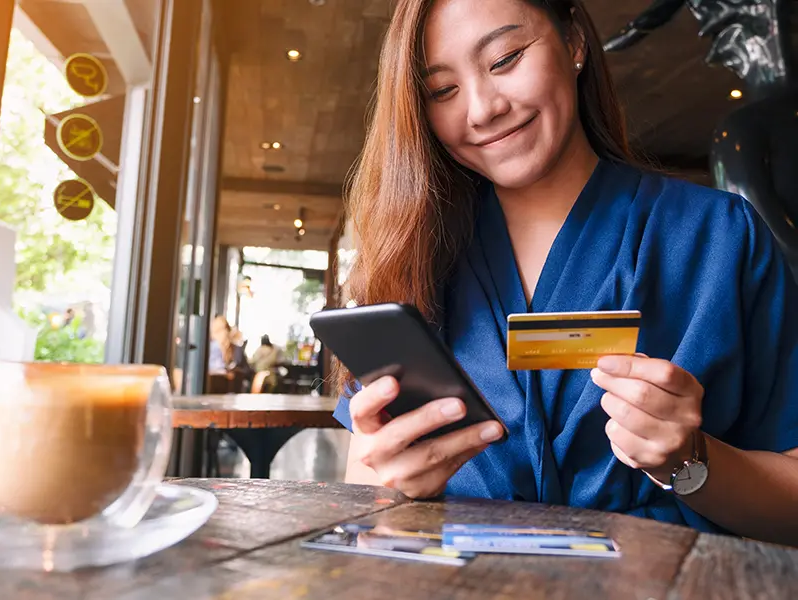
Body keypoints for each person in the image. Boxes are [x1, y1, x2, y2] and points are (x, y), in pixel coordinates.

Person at [331, 0, 798, 546]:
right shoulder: (411, 261)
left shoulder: (719, 238)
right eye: (441, 91)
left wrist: (690, 460)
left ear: (574, 43)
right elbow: (366, 498)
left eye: (504, 58)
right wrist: (396, 488)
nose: (482, 109)